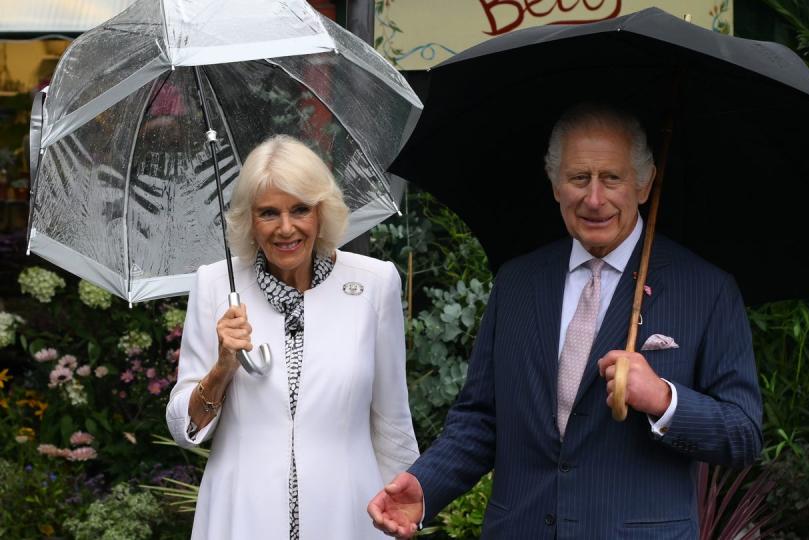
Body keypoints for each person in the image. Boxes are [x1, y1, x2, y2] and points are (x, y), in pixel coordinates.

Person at [367, 104, 762, 539]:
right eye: (579, 178)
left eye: (612, 178)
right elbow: (481, 420)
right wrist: (426, 487)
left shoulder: (706, 289)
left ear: (645, 184)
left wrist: (664, 400)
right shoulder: (517, 282)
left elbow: (743, 433)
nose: (594, 199)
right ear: (555, 184)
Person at [167, 135, 419, 539]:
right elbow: (184, 428)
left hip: (349, 513)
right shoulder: (215, 285)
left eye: (300, 209)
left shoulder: (374, 283)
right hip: (241, 513)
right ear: (250, 219)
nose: (286, 228)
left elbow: (391, 420)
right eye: (269, 213)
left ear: (322, 212)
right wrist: (222, 368)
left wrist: (405, 510)